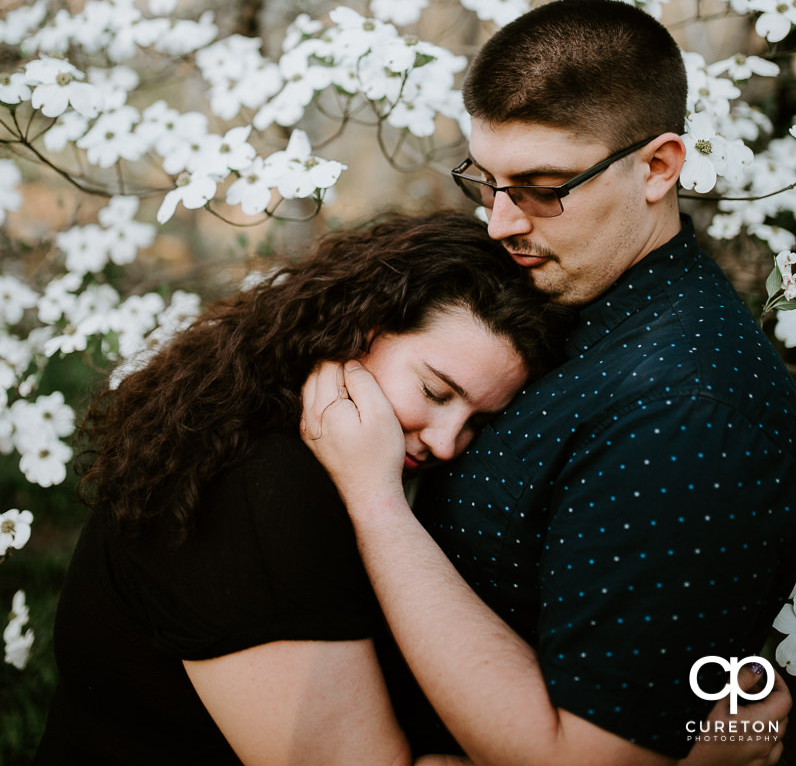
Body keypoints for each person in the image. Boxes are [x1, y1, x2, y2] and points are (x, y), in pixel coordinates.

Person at [301, 0, 796, 766]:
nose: (501, 221)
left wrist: (374, 502)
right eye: (486, 181)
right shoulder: (551, 294)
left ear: (657, 167)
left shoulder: (686, 407)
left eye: (542, 186)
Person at [33, 211, 570, 766]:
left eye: (477, 423)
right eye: (435, 392)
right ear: (363, 326)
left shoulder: (266, 417)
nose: (446, 442)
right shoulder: (257, 486)